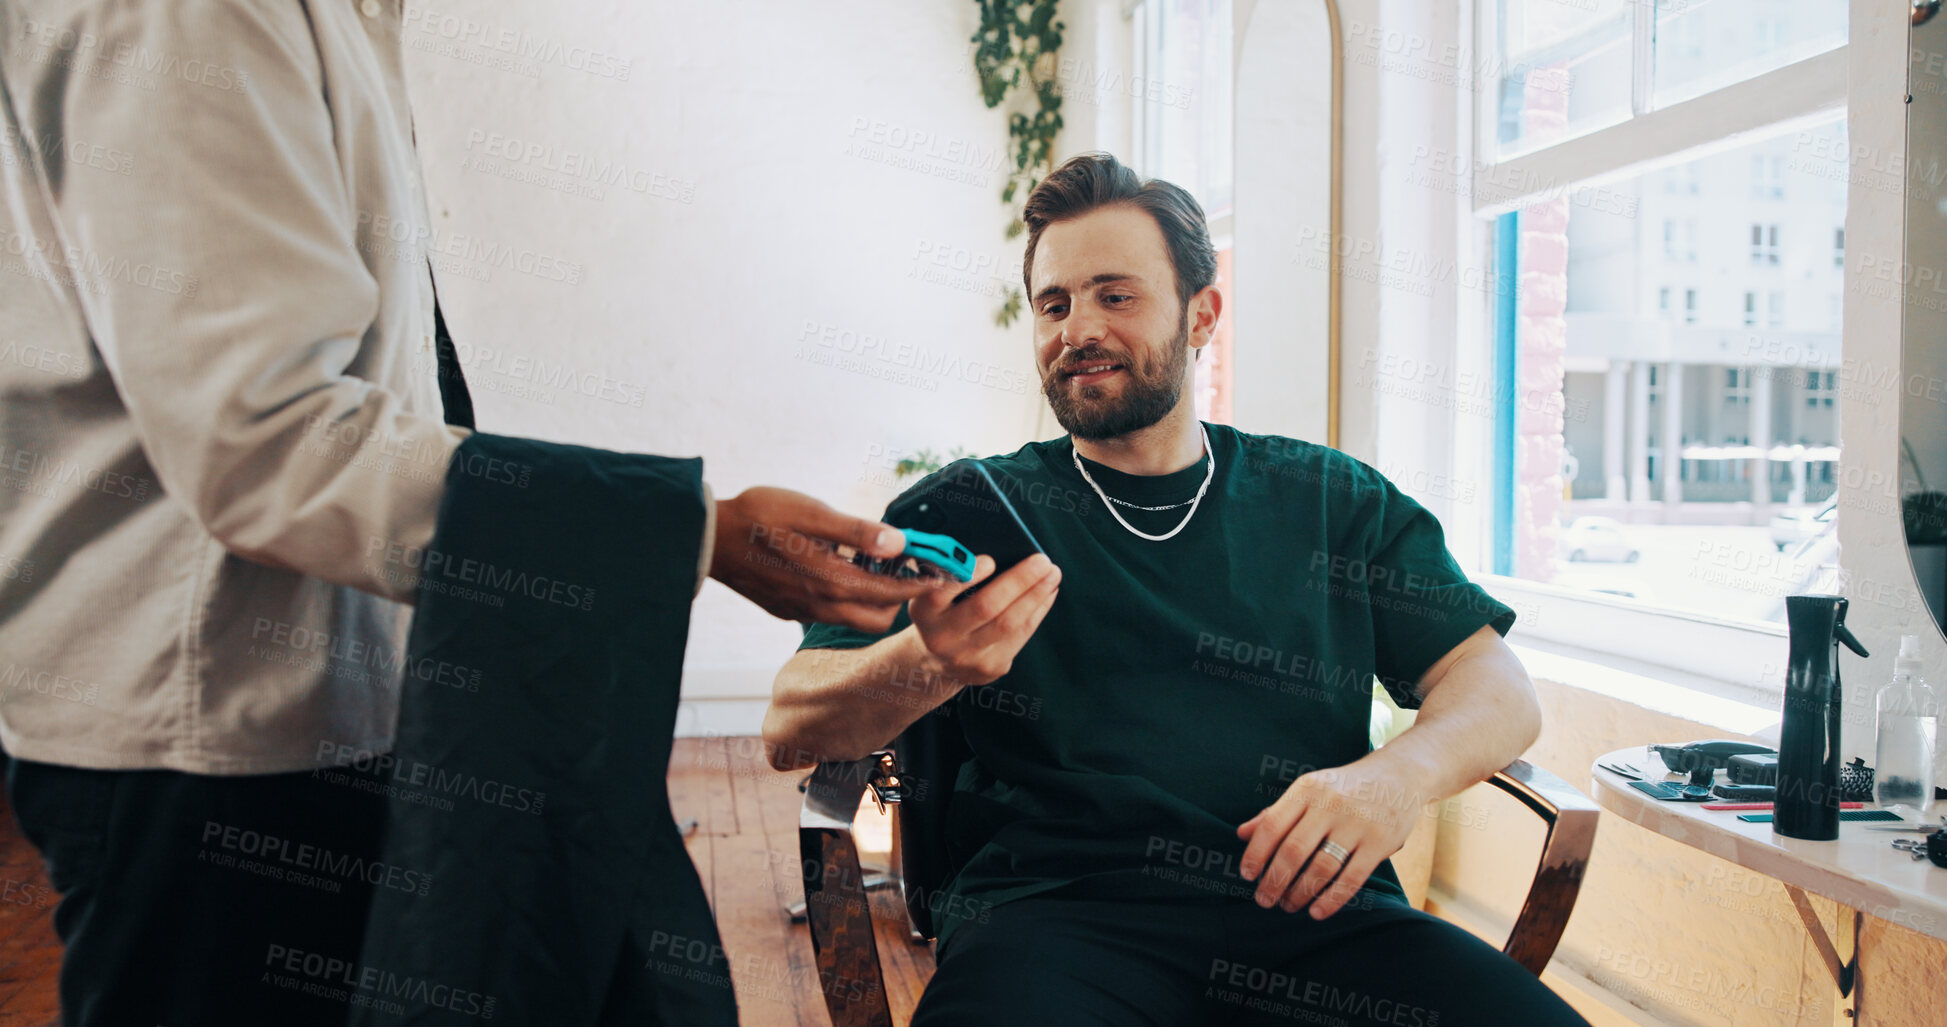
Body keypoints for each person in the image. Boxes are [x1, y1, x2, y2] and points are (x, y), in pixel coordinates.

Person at [0, 4, 932, 1025]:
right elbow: (262, 435)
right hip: (208, 745)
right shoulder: (188, 19)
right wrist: (692, 532)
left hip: (335, 704)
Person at [765, 152, 1593, 1026]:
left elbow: (1498, 690)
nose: (1076, 328)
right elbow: (791, 725)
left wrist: (1397, 777)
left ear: (1203, 316)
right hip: (1054, 923)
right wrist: (928, 661)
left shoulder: (1329, 503)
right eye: (1054, 303)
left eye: (1114, 295)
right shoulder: (973, 512)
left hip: (1318, 913)